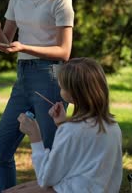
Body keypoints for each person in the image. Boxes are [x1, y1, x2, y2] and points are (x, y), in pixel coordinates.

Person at [0, 0, 74, 192]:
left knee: (51, 155)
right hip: (23, 78)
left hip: (50, 77)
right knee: (0, 150)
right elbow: (7, 42)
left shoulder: (60, 0)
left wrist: (24, 47)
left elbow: (64, 51)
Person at [14, 57, 123, 193]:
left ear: (72, 93)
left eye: (61, 87)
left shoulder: (71, 129)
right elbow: (79, 157)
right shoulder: (112, 126)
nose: (60, 90)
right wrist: (61, 123)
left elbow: (45, 178)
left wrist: (34, 136)